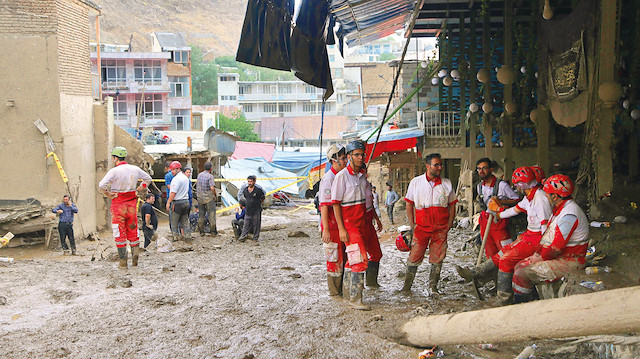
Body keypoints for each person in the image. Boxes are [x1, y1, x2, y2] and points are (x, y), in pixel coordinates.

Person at [458, 166, 552, 305]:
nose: (516, 188)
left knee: (506, 260)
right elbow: (516, 209)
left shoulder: (540, 198)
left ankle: (504, 299)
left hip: (537, 238)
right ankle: (476, 273)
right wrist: (498, 212)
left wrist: (542, 251)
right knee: (502, 252)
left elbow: (545, 226)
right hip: (529, 235)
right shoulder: (530, 196)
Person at [512, 174, 589, 303]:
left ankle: (522, 310)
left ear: (555, 196)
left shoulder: (569, 214)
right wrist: (537, 255)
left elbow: (555, 248)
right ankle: (534, 302)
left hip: (571, 260)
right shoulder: (561, 209)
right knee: (519, 266)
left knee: (521, 274)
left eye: (547, 193)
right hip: (562, 257)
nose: (545, 196)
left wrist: (539, 258)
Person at [401, 153, 457, 294]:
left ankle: (433, 288)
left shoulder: (446, 183)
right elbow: (409, 204)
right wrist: (412, 225)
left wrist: (449, 225)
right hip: (421, 228)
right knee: (414, 257)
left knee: (437, 258)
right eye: (436, 165)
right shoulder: (416, 182)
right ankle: (406, 287)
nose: (439, 167)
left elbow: (452, 205)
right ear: (427, 166)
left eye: (440, 165)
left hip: (440, 228)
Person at [98, 146, 152, 269]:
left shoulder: (114, 171)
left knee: (119, 233)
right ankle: (135, 262)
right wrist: (139, 188)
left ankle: (123, 263)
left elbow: (101, 185)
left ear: (115, 158)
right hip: (132, 205)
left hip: (118, 206)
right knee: (133, 232)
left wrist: (107, 194)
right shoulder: (135, 169)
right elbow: (147, 179)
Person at [332, 140, 370, 310]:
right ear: (348, 157)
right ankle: (355, 299)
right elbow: (335, 204)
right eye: (357, 154)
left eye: (362, 154)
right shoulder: (341, 177)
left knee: (351, 260)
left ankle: (348, 294)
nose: (360, 157)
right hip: (349, 225)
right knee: (360, 259)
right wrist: (341, 229)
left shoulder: (362, 176)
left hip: (361, 223)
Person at [473, 158, 520, 278]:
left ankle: (510, 280)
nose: (481, 171)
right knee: (490, 253)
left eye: (484, 168)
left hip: (498, 221)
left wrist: (500, 201)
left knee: (506, 252)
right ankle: (496, 281)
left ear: (491, 169)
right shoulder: (479, 187)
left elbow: (516, 199)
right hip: (485, 221)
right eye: (479, 169)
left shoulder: (502, 185)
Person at [318, 145, 347, 297]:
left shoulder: (342, 176)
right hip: (332, 226)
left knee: (345, 256)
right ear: (334, 161)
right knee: (334, 258)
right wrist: (326, 230)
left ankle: (342, 288)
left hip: (342, 224)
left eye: (345, 157)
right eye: (342, 159)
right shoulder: (328, 179)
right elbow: (324, 205)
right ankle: (335, 292)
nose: (345, 161)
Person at [165, 161, 192, 243]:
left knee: (174, 221)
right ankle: (188, 237)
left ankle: (175, 238)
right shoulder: (185, 178)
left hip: (177, 203)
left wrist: (168, 202)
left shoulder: (176, 179)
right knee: (185, 220)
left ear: (178, 169)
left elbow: (173, 193)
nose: (172, 171)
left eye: (173, 170)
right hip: (186, 201)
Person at [364, 179, 383, 288]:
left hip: (369, 224)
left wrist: (377, 220)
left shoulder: (367, 185)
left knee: (376, 254)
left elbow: (370, 205)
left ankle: (371, 282)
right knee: (358, 258)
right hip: (358, 225)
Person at [239, 175, 266, 242]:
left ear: (254, 181)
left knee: (256, 225)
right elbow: (244, 198)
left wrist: (257, 203)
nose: (249, 183)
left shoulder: (258, 190)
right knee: (246, 224)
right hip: (248, 210)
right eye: (248, 181)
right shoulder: (245, 190)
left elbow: (263, 197)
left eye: (251, 181)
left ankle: (255, 238)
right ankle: (242, 237)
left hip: (256, 210)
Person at [196, 161, 218, 235]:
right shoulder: (210, 176)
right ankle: (213, 231)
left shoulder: (199, 175)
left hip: (200, 197)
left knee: (201, 215)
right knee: (211, 214)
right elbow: (212, 188)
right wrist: (215, 195)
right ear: (211, 168)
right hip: (208, 198)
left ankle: (201, 231)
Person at [164, 161, 174, 231]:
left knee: (172, 214)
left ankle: (173, 230)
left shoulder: (167, 176)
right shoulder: (177, 174)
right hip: (179, 197)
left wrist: (174, 191)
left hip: (170, 196)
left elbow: (168, 186)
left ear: (166, 168)